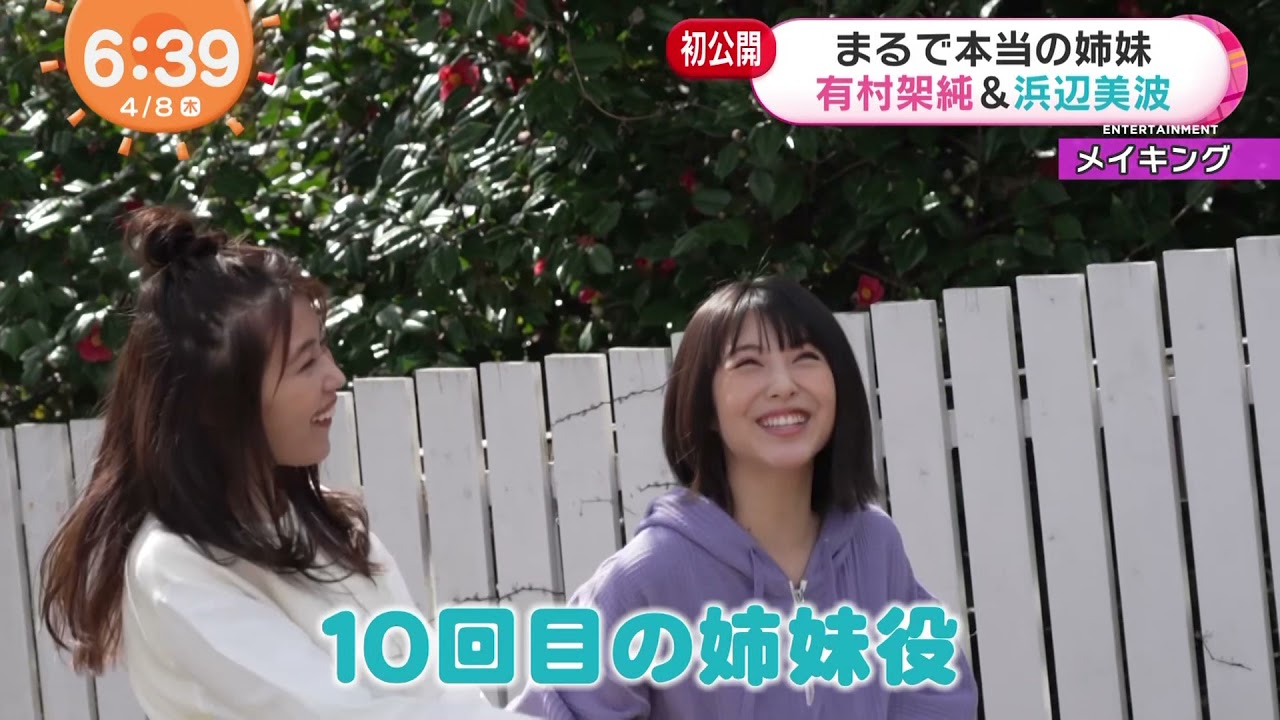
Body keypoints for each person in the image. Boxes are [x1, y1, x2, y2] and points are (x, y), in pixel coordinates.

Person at [38, 205, 526, 719]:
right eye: (306, 362)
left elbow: (433, 692)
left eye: (324, 351)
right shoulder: (177, 566)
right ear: (220, 403)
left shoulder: (330, 527)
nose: (335, 378)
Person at [508, 276, 979, 719]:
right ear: (705, 407)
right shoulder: (647, 576)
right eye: (749, 364)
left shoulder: (873, 544)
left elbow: (936, 698)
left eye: (806, 357)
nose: (784, 385)